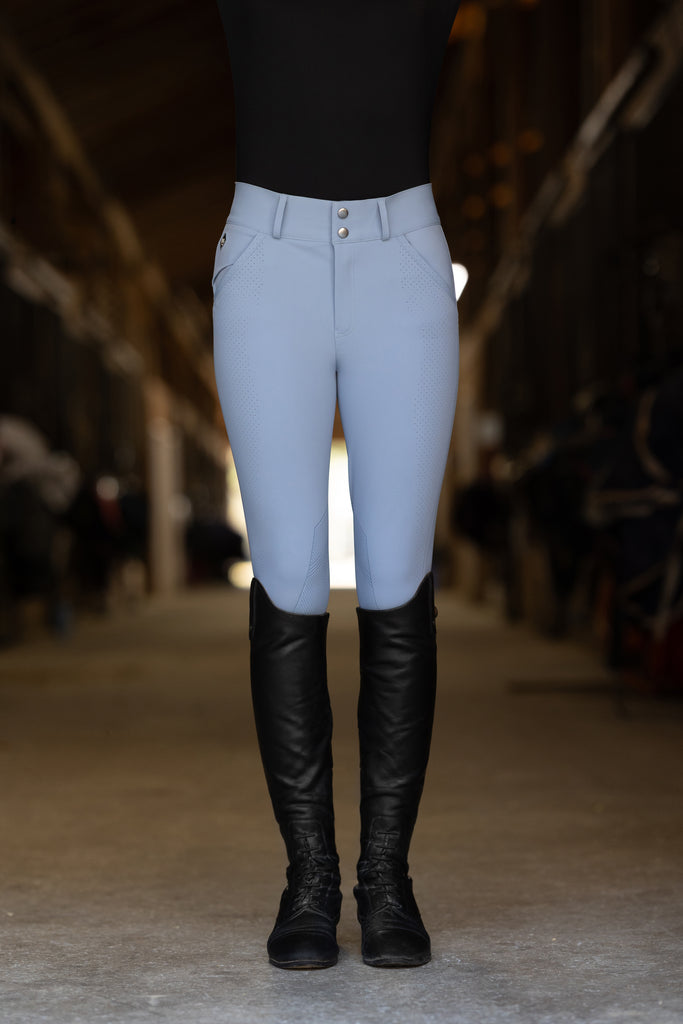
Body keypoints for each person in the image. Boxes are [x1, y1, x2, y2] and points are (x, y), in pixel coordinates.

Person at [213, 0, 461, 969]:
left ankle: (386, 879)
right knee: (287, 572)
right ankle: (309, 879)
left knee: (397, 574)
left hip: (403, 257)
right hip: (264, 257)